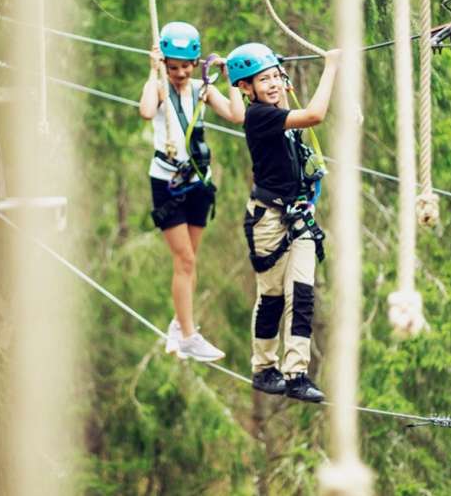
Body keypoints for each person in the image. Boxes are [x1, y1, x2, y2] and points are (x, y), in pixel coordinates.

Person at [225, 43, 339, 402]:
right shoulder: (258, 116)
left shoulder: (276, 110)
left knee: (302, 294)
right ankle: (263, 367)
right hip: (268, 221)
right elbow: (315, 115)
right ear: (247, 88)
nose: (273, 84)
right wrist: (331, 67)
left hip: (298, 216)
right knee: (272, 297)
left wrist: (278, 73)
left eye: (276, 76)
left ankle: (296, 373)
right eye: (263, 79)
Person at [138, 21, 245, 362]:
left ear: (196, 63)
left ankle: (178, 324)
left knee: (189, 261)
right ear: (165, 64)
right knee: (184, 259)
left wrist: (232, 83)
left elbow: (236, 116)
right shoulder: (159, 89)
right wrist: (153, 73)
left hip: (199, 182)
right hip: (167, 184)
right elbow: (144, 112)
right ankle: (188, 334)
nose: (181, 73)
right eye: (174, 67)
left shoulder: (202, 89)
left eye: (186, 66)